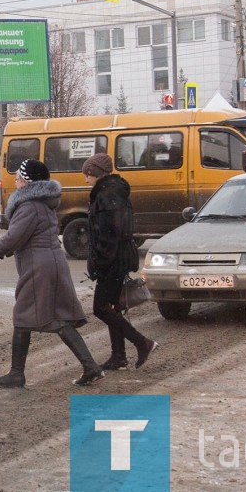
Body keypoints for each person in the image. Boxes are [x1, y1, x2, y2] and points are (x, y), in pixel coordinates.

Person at [0, 159, 104, 388]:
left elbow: (13, 238)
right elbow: (28, 237)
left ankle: (17, 373)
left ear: (27, 182)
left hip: (39, 267)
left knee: (24, 316)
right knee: (58, 317)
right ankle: (90, 367)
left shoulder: (28, 206)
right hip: (51, 262)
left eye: (18, 178)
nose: (15, 182)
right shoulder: (42, 203)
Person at [82, 153, 157, 371]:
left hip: (112, 261)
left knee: (100, 308)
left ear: (94, 173)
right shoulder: (114, 192)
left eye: (87, 174)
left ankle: (142, 343)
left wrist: (99, 262)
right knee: (112, 307)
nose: (86, 178)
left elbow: (108, 234)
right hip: (119, 258)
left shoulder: (106, 196)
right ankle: (118, 357)